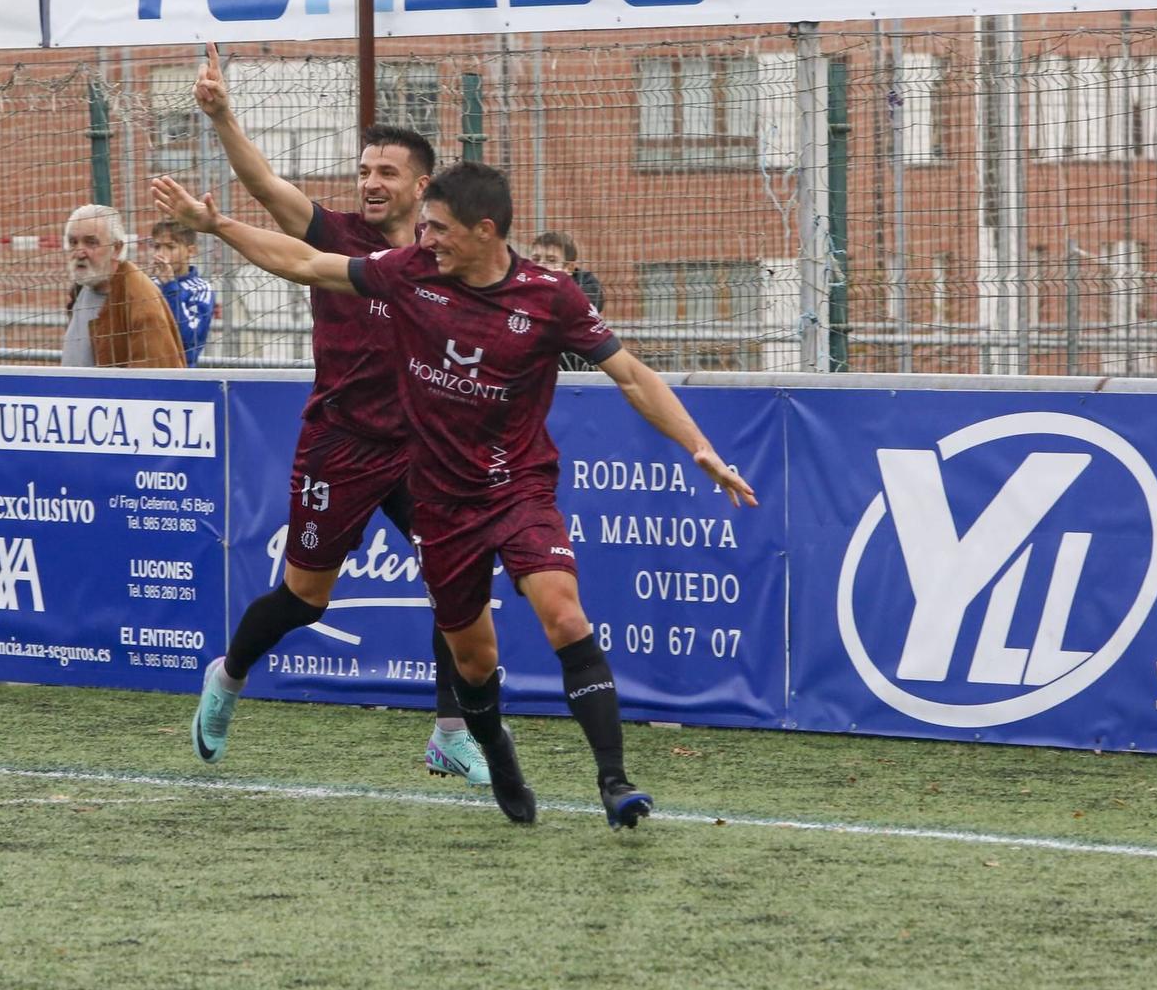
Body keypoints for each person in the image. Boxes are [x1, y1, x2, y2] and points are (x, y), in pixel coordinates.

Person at [155, 160, 755, 829]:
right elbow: (308, 264)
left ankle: (615, 782)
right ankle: (491, 743)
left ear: (484, 230)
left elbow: (633, 374)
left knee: (564, 614)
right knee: (473, 658)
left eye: (438, 228)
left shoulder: (550, 296)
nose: (426, 238)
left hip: (519, 488)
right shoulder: (410, 272)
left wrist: (699, 445)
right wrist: (219, 224)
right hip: (438, 497)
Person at [183, 43, 487, 787]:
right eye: (363, 171)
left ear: (423, 184)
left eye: (386, 172)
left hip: (421, 448)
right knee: (302, 597)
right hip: (342, 445)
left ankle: (452, 731)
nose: (370, 183)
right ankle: (228, 675)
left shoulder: (447, 250)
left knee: (458, 577)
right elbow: (263, 184)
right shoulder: (336, 236)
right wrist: (224, 118)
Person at [62, 204, 184, 368]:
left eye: (91, 242)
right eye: (73, 242)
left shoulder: (139, 300)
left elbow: (153, 380)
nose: (79, 252)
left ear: (116, 248)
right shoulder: (84, 285)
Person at [149, 220, 215, 365]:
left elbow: (190, 340)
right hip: (145, 370)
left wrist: (170, 287)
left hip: (181, 373)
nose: (161, 255)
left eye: (170, 247)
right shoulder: (148, 284)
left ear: (190, 251)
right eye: (157, 247)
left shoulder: (200, 289)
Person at [528, 231, 605, 311]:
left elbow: (587, 308)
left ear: (569, 268)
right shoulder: (522, 279)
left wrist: (560, 284)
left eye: (551, 260)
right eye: (535, 259)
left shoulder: (586, 282)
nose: (540, 265)